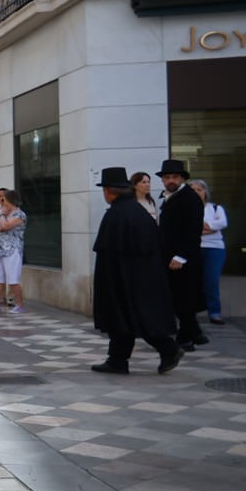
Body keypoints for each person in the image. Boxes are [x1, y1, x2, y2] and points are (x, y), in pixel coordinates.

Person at [91, 168, 182, 375]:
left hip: (122, 278)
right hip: (145, 275)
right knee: (134, 317)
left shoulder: (116, 214)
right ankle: (118, 360)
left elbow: (109, 253)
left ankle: (168, 349)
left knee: (130, 317)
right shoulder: (138, 211)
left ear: (108, 191)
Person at [156, 159, 208, 350]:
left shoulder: (189, 198)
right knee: (179, 298)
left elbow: (193, 231)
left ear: (182, 178)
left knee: (182, 298)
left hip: (183, 258)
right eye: (167, 177)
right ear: (162, 179)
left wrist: (181, 256)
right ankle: (193, 335)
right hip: (169, 256)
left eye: (175, 177)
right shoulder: (168, 196)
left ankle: (188, 337)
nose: (171, 180)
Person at [193, 179, 228, 326]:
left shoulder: (215, 208)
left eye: (199, 190)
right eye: (193, 190)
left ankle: (215, 312)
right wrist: (210, 228)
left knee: (211, 281)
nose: (196, 193)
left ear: (205, 192)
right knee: (192, 282)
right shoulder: (186, 209)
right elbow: (188, 229)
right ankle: (190, 312)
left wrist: (203, 228)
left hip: (214, 249)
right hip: (194, 248)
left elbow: (223, 223)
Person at [0, 188, 27, 314]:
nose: (2, 201)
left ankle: (20, 305)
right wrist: (0, 226)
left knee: (12, 279)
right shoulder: (3, 213)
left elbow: (5, 226)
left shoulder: (19, 215)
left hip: (12, 250)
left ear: (10, 200)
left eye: (4, 199)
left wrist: (3, 217)